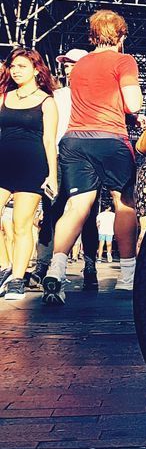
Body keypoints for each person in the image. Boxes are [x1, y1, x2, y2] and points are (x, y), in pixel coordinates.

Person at [45, 11, 142, 304]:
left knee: (75, 207)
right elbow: (133, 103)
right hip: (111, 140)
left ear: (92, 36)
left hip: (75, 141)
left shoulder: (81, 64)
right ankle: (127, 279)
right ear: (122, 35)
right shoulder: (124, 61)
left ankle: (56, 270)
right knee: (123, 204)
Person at [31, 48, 99, 292]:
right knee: (51, 211)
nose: (68, 68)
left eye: (73, 64)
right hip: (58, 157)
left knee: (87, 214)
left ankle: (90, 267)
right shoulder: (57, 95)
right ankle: (42, 266)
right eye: (66, 64)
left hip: (86, 158)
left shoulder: (96, 95)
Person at [0, 48, 59, 302]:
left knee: (21, 224)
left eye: (22, 66)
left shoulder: (47, 101)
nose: (15, 70)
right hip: (3, 164)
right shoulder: (3, 97)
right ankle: (6, 267)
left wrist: (53, 177)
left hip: (32, 166)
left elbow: (49, 141)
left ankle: (17, 280)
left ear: (36, 69)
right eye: (13, 66)